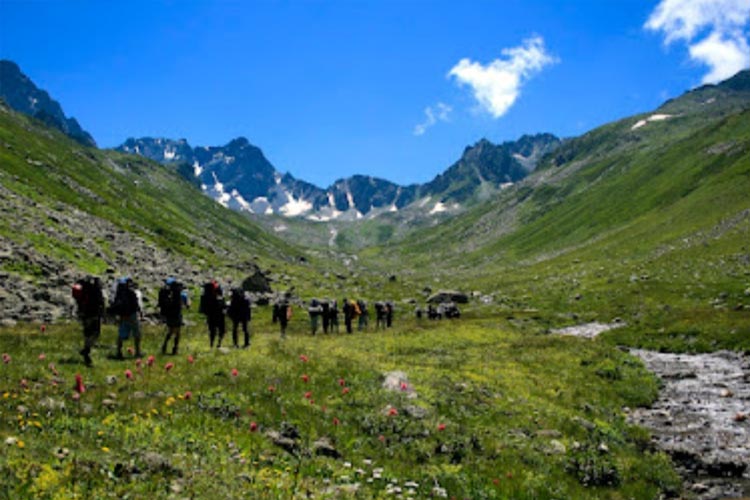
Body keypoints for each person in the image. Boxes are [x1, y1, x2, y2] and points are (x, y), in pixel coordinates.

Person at [71, 276, 105, 366]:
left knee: (87, 332)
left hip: (84, 313)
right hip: (94, 314)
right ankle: (87, 349)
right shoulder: (96, 290)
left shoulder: (84, 289)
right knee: (96, 333)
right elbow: (100, 302)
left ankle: (86, 349)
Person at [111, 277, 142, 359]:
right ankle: (138, 352)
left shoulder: (119, 293)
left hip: (123, 316)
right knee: (137, 334)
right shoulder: (131, 292)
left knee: (121, 334)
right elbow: (136, 305)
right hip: (132, 315)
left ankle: (118, 351)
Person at [158, 277, 187, 355]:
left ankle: (165, 346)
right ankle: (175, 348)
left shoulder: (166, 293)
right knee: (177, 332)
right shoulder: (176, 293)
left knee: (171, 331)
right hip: (176, 315)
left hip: (169, 315)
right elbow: (179, 304)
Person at [199, 280, 226, 348]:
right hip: (219, 315)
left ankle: (212, 343)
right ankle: (219, 343)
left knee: (212, 330)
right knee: (221, 330)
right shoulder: (217, 297)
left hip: (210, 315)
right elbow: (222, 305)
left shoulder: (204, 297)